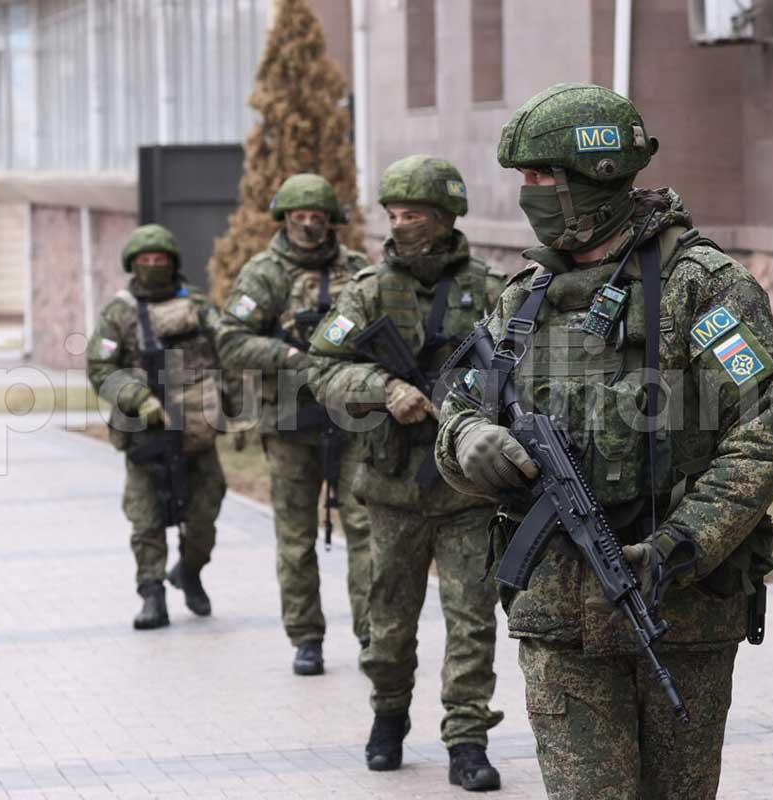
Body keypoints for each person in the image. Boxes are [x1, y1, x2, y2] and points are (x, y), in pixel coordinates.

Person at [434, 83, 773, 800]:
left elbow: (761, 433)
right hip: (557, 616)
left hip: (678, 609)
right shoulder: (523, 299)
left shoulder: (704, 288)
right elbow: (463, 404)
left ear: (591, 183)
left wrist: (680, 546)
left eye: (541, 179)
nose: (528, 195)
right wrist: (468, 438)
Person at [308, 156, 507, 792]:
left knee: (472, 618)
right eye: (393, 216)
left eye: (414, 215)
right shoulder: (367, 289)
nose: (402, 226)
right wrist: (383, 386)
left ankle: (467, 738)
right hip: (392, 490)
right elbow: (322, 369)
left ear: (447, 217)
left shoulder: (491, 287)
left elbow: (527, 372)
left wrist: (478, 406)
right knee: (388, 623)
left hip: (468, 488)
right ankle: (388, 716)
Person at [216, 173, 372, 677]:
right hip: (288, 422)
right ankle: (306, 636)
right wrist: (290, 356)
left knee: (368, 530)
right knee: (295, 536)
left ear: (332, 221)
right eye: (299, 217)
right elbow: (231, 339)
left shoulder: (357, 268)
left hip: (352, 420)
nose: (309, 226)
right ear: (284, 219)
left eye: (318, 217)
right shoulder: (264, 273)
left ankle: (375, 633)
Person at [87, 224, 229, 630]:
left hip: (198, 432)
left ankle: (189, 570)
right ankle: (152, 594)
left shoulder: (199, 306)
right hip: (145, 436)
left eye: (159, 260)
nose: (152, 267)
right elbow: (100, 367)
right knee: (146, 520)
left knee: (204, 514)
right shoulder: (120, 311)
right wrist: (139, 399)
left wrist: (233, 404)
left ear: (173, 263)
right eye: (144, 261)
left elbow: (227, 353)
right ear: (132, 265)